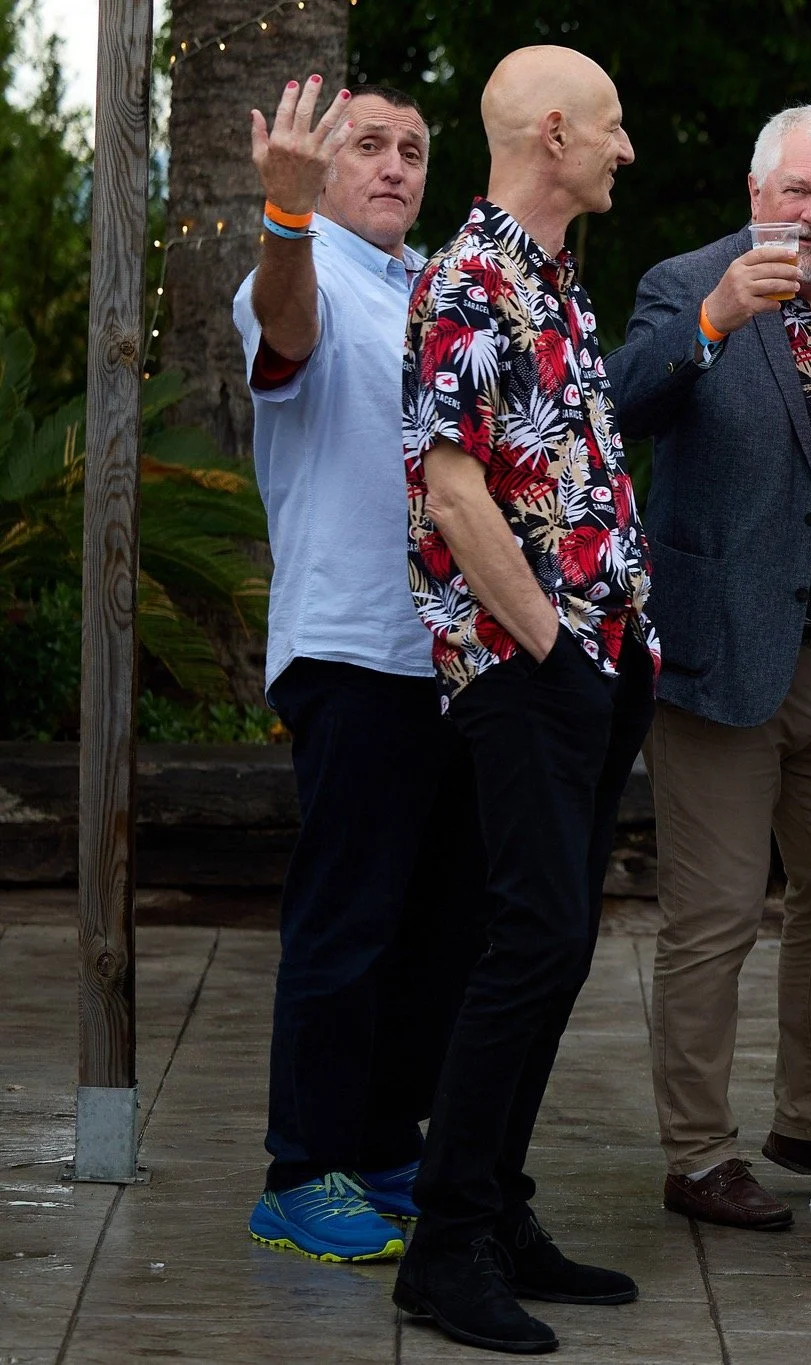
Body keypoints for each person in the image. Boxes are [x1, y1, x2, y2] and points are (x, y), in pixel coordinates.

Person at [392, 46, 656, 1355]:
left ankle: (494, 1210)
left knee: (552, 945)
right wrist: (555, 651)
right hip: (525, 667)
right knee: (532, 940)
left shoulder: (552, 281)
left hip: (596, 657)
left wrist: (609, 652)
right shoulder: (469, 279)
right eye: (610, 127)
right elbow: (451, 491)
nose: (627, 149)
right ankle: (445, 1247)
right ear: (554, 133)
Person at [608, 105, 811, 1232]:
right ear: (754, 191)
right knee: (716, 917)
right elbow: (618, 401)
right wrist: (712, 321)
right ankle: (695, 1152)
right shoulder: (685, 279)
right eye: (797, 192)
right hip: (726, 656)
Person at [234, 74, 483, 1264]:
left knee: (433, 925)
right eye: (367, 145)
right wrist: (284, 217)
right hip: (350, 648)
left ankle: (385, 1150)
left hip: (449, 655)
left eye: (411, 148)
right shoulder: (301, 270)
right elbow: (287, 332)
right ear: (321, 167)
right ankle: (300, 1171)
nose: (392, 165)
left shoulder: (427, 285)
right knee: (346, 925)